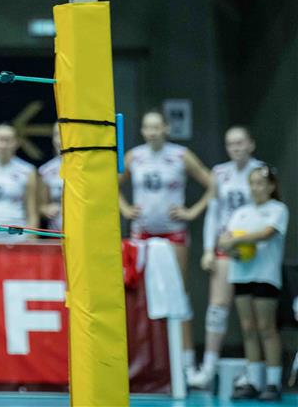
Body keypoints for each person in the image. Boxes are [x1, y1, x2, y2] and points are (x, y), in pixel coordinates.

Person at [118, 108, 216, 380]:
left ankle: (186, 364)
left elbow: (213, 184)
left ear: (166, 129)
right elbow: (110, 184)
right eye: (147, 127)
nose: (152, 132)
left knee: (179, 294)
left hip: (173, 233)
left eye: (157, 127)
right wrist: (125, 209)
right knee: (138, 295)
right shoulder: (134, 156)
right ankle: (143, 362)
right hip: (141, 234)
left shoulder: (181, 156)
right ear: (142, 130)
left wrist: (192, 211)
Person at [188, 125, 267, 389]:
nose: (236, 148)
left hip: (254, 250)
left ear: (251, 144)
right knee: (217, 307)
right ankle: (208, 368)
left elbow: (270, 209)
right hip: (225, 247)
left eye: (240, 142)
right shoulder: (219, 173)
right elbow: (213, 212)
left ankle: (255, 371)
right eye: (231, 143)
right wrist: (208, 249)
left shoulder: (263, 172)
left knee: (254, 314)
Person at [220, 166, 287, 401]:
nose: (256, 188)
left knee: (266, 327)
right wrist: (230, 247)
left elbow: (266, 234)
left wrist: (237, 241)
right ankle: (254, 381)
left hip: (265, 276)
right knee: (248, 328)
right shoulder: (241, 213)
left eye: (261, 183)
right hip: (241, 275)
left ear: (271, 186)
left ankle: (273, 381)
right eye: (252, 183)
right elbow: (225, 240)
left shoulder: (278, 210)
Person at [38, 121, 64, 231]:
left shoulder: (87, 168)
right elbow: (41, 207)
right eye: (56, 135)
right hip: (57, 233)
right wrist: (46, 209)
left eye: (64, 134)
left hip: (84, 233)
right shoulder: (45, 170)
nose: (60, 140)